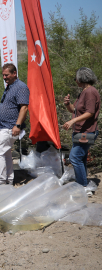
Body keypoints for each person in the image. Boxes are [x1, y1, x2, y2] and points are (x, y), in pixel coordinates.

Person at [63, 67, 100, 196]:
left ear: (81, 78)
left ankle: (83, 186)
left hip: (86, 132)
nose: (75, 80)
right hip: (80, 132)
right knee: (81, 158)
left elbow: (90, 112)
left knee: (74, 157)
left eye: (76, 78)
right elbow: (74, 110)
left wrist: (72, 121)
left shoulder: (90, 92)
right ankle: (83, 185)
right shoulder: (83, 92)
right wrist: (68, 104)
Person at [0, 63, 29, 185]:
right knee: (6, 153)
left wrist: (17, 125)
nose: (4, 77)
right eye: (3, 75)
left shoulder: (21, 87)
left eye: (6, 75)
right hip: (3, 126)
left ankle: (0, 181)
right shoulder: (10, 86)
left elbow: (24, 108)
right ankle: (8, 179)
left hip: (10, 127)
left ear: (14, 73)